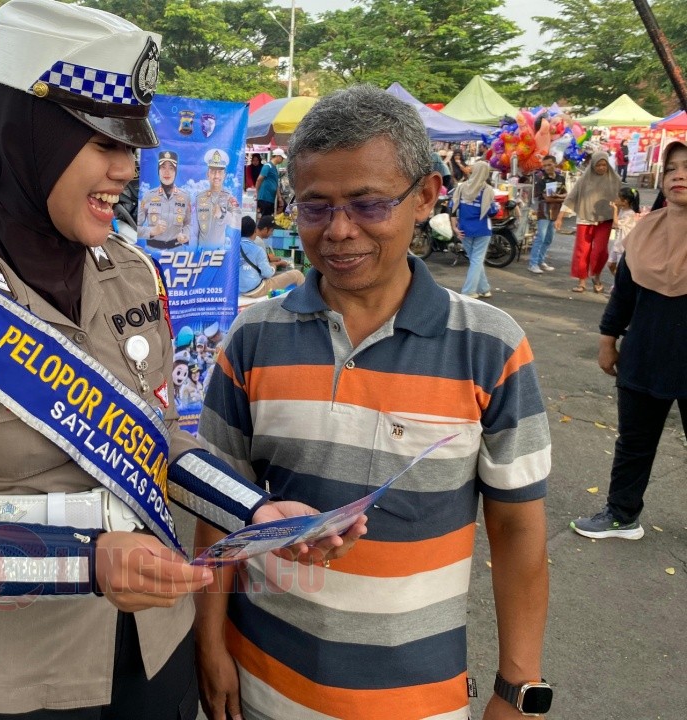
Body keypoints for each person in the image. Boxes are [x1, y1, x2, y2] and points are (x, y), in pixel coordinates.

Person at [0, 2, 362, 718]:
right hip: (19, 682)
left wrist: (258, 511)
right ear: (27, 140)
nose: (128, 168)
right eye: (103, 142)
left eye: (132, 144)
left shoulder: (133, 274)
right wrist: (89, 562)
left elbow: (156, 441)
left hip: (158, 650)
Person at [196, 84, 553, 720]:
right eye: (315, 206)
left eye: (368, 204)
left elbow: (517, 528)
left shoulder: (490, 347)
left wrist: (519, 689)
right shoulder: (252, 339)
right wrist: (210, 641)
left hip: (417, 696)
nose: (339, 231)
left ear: (426, 196)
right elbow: (218, 507)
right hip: (263, 682)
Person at [571, 140, 687, 540]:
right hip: (644, 355)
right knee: (634, 442)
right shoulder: (644, 235)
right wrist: (608, 339)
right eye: (671, 168)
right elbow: (623, 295)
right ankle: (622, 515)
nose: (678, 175)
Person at [556, 150, 621, 293]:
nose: (601, 168)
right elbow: (571, 197)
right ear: (593, 165)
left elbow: (623, 199)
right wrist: (560, 216)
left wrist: (622, 216)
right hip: (585, 218)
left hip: (605, 219)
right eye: (598, 165)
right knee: (582, 250)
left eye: (604, 165)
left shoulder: (615, 179)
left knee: (600, 251)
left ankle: (596, 276)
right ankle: (582, 281)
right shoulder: (584, 179)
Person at [450, 159, 498, 299]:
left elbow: (453, 208)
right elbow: (492, 212)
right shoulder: (488, 190)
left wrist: (454, 227)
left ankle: (484, 289)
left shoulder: (461, 188)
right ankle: (468, 291)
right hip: (482, 229)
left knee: (475, 260)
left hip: (464, 229)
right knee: (477, 260)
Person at [237, 215, 304, 299]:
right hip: (257, 290)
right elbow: (267, 274)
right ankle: (306, 301)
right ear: (254, 231)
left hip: (239, 290)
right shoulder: (257, 249)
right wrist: (273, 267)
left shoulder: (233, 248)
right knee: (297, 274)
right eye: (272, 230)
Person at [139, 149, 192, 249]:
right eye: (163, 167)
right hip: (152, 250)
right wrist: (152, 231)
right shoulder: (148, 196)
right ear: (158, 171)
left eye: (171, 168)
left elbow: (189, 224)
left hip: (177, 250)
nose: (167, 172)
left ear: (175, 172)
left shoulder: (185, 196)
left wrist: (185, 235)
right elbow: (135, 227)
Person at [194, 148, 240, 249]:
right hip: (200, 251)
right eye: (213, 172)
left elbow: (239, 222)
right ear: (208, 174)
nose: (216, 176)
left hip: (220, 252)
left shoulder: (229, 197)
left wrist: (222, 214)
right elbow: (194, 227)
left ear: (224, 175)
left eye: (220, 172)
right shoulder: (199, 197)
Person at [529, 154, 566, 275]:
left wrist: (558, 196)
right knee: (540, 237)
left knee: (549, 239)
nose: (547, 168)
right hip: (544, 212)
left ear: (555, 164)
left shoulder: (561, 178)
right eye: (544, 166)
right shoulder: (540, 179)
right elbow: (547, 198)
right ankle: (533, 263)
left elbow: (566, 194)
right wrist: (560, 198)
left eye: (549, 165)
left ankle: (541, 260)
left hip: (555, 212)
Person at [606, 185, 640, 281]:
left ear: (625, 201)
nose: (616, 199)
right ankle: (619, 283)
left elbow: (616, 224)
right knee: (611, 264)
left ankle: (621, 284)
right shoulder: (623, 210)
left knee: (621, 268)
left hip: (623, 245)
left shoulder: (630, 213)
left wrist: (615, 209)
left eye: (618, 198)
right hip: (618, 242)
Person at [255, 148, 284, 218]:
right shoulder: (268, 166)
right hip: (265, 197)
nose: (283, 159)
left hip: (270, 198)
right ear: (277, 156)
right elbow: (259, 179)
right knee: (265, 218)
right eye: (282, 157)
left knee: (268, 218)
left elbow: (275, 184)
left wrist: (279, 198)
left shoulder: (274, 168)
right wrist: (256, 192)